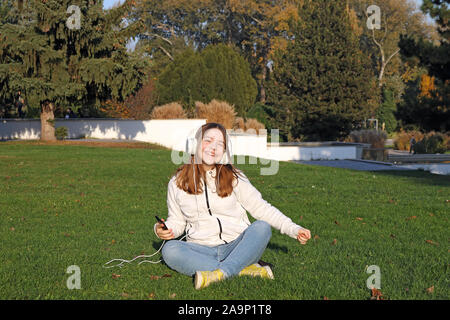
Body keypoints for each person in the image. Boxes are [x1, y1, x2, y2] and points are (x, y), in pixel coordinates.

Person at [155, 122, 311, 290]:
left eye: (220, 144)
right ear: (197, 144)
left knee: (262, 228)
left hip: (236, 246)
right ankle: (243, 270)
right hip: (200, 249)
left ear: (224, 151)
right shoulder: (177, 182)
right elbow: (177, 221)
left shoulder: (235, 177)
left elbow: (262, 208)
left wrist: (293, 229)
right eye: (208, 140)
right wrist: (163, 228)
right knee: (170, 250)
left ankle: (222, 272)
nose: (213, 147)